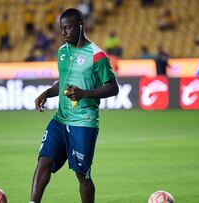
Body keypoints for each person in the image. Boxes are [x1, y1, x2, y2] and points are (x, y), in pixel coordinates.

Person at [30, 8, 119, 203]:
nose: (63, 33)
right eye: (61, 28)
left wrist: (84, 94)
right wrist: (47, 93)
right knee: (44, 161)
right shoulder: (63, 52)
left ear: (80, 26)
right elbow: (63, 82)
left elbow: (113, 88)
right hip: (60, 119)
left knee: (82, 175)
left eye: (68, 28)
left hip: (84, 122)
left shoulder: (97, 56)